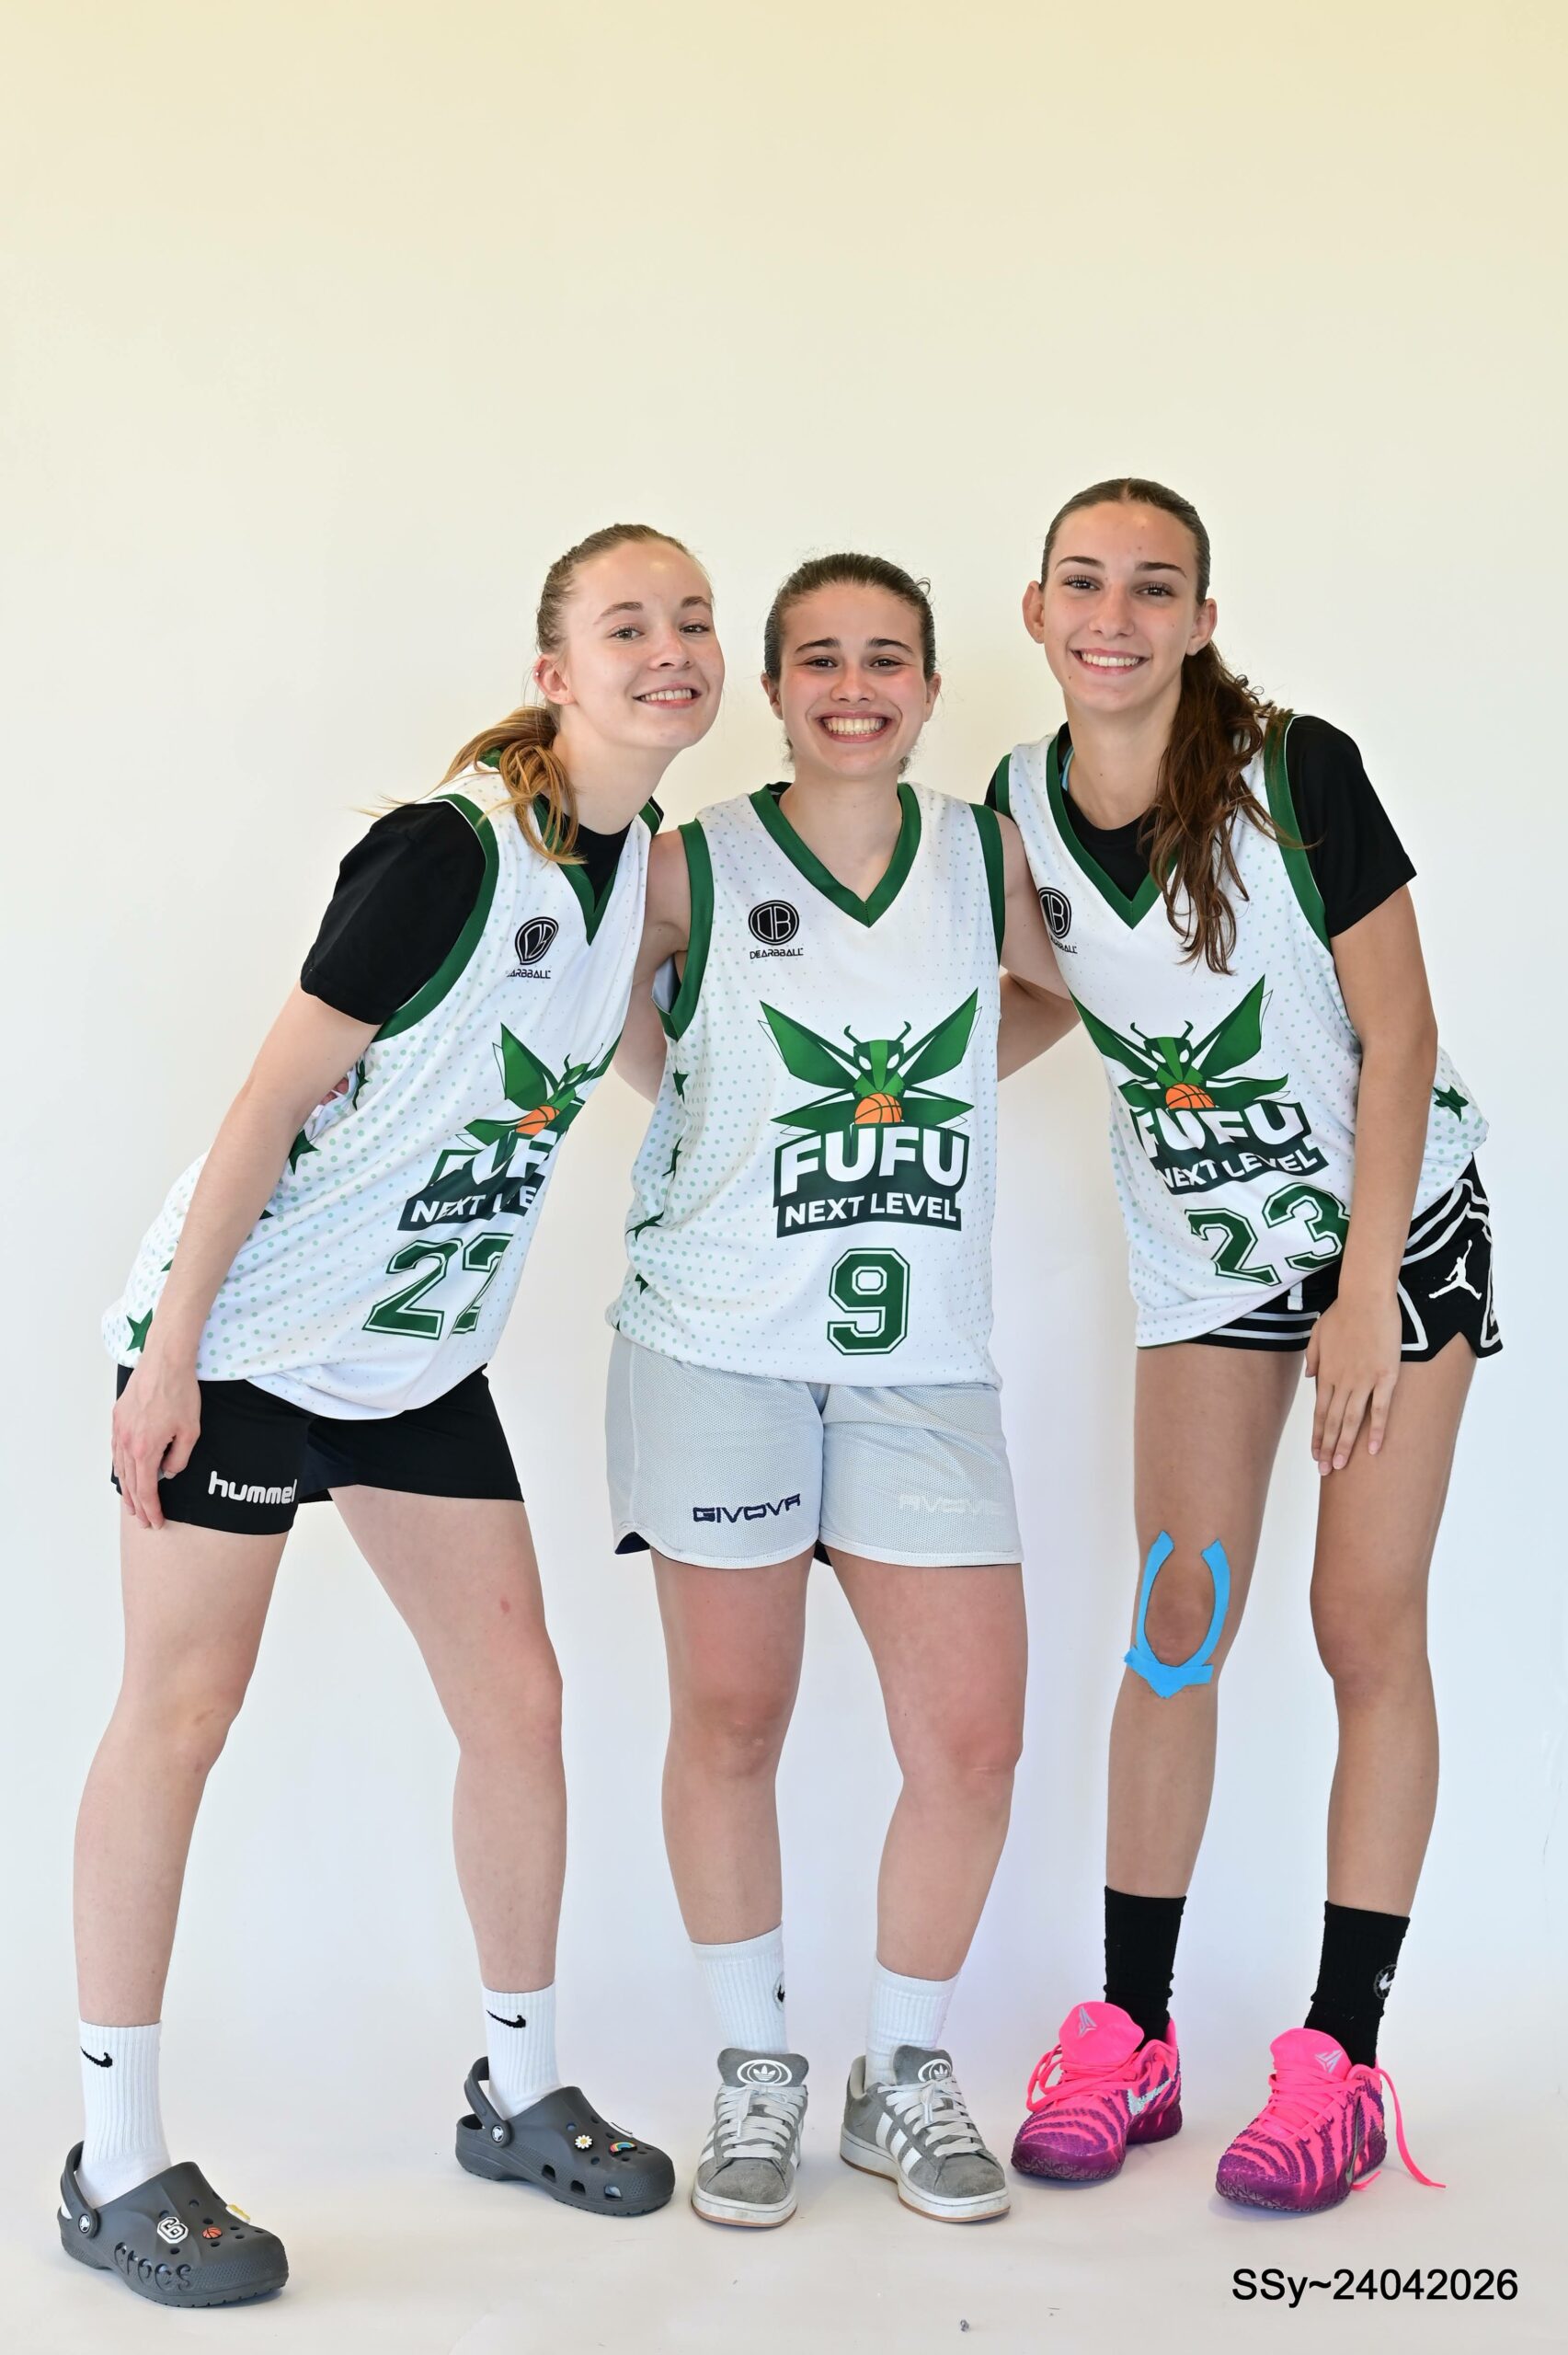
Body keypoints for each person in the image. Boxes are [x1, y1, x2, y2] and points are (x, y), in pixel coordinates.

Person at [65, 523, 722, 2306]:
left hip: (414, 1357)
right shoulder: (447, 852)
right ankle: (109, 2156)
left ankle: (516, 2086)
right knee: (181, 1715)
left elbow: (646, 1056)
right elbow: (270, 1096)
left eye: (691, 619)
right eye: (627, 624)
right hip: (251, 1336)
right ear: (555, 674)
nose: (670, 646)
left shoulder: (646, 868)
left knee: (519, 1703)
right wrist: (170, 1352)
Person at [993, 477, 1494, 2214]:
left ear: (1201, 620)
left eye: (1153, 587)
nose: (1112, 615)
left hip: (1390, 1235)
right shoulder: (1018, 805)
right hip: (1203, 1254)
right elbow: (1045, 995)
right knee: (1176, 1622)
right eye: (1082, 582)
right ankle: (1129, 2037)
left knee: (1360, 1622)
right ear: (1036, 609)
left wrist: (1366, 1294)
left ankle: (1339, 2058)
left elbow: (1397, 1033)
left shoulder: (1297, 775)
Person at [608, 553, 1073, 2228]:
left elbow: (1049, 997)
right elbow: (592, 999)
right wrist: (703, 1095)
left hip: (920, 1356)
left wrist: (931, 1092)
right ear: (773, 687)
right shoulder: (695, 860)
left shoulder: (983, 854)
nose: (853, 687)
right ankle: (755, 2067)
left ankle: (900, 2074)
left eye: (886, 659)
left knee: (971, 1738)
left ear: (932, 686)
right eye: (818, 659)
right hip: (720, 1340)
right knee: (733, 1720)